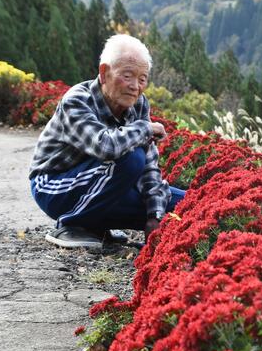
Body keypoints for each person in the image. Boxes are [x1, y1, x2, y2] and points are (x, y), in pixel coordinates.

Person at [29, 34, 184, 250]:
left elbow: (149, 167)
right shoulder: (77, 100)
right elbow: (106, 146)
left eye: (142, 79)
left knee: (185, 205)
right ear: (104, 73)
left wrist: (154, 217)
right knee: (131, 157)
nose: (135, 87)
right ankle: (71, 224)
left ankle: (96, 222)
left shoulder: (139, 105)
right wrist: (145, 127)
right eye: (127, 76)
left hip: (105, 185)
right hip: (55, 187)